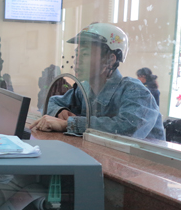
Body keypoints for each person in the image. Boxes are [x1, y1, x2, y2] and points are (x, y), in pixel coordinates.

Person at [30, 23, 164, 140]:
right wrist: (60, 111)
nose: (77, 60)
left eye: (85, 54)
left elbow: (127, 128)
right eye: (77, 54)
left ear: (110, 60)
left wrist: (68, 124)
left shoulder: (135, 91)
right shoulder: (85, 89)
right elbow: (52, 102)